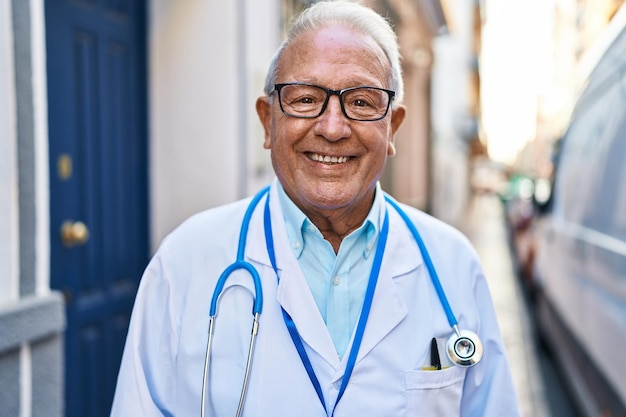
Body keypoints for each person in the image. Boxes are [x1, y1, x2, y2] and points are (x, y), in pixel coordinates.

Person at [111, 1, 521, 416]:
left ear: (392, 127)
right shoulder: (184, 264)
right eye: (306, 99)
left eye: (361, 102)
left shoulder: (452, 266)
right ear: (267, 121)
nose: (332, 127)